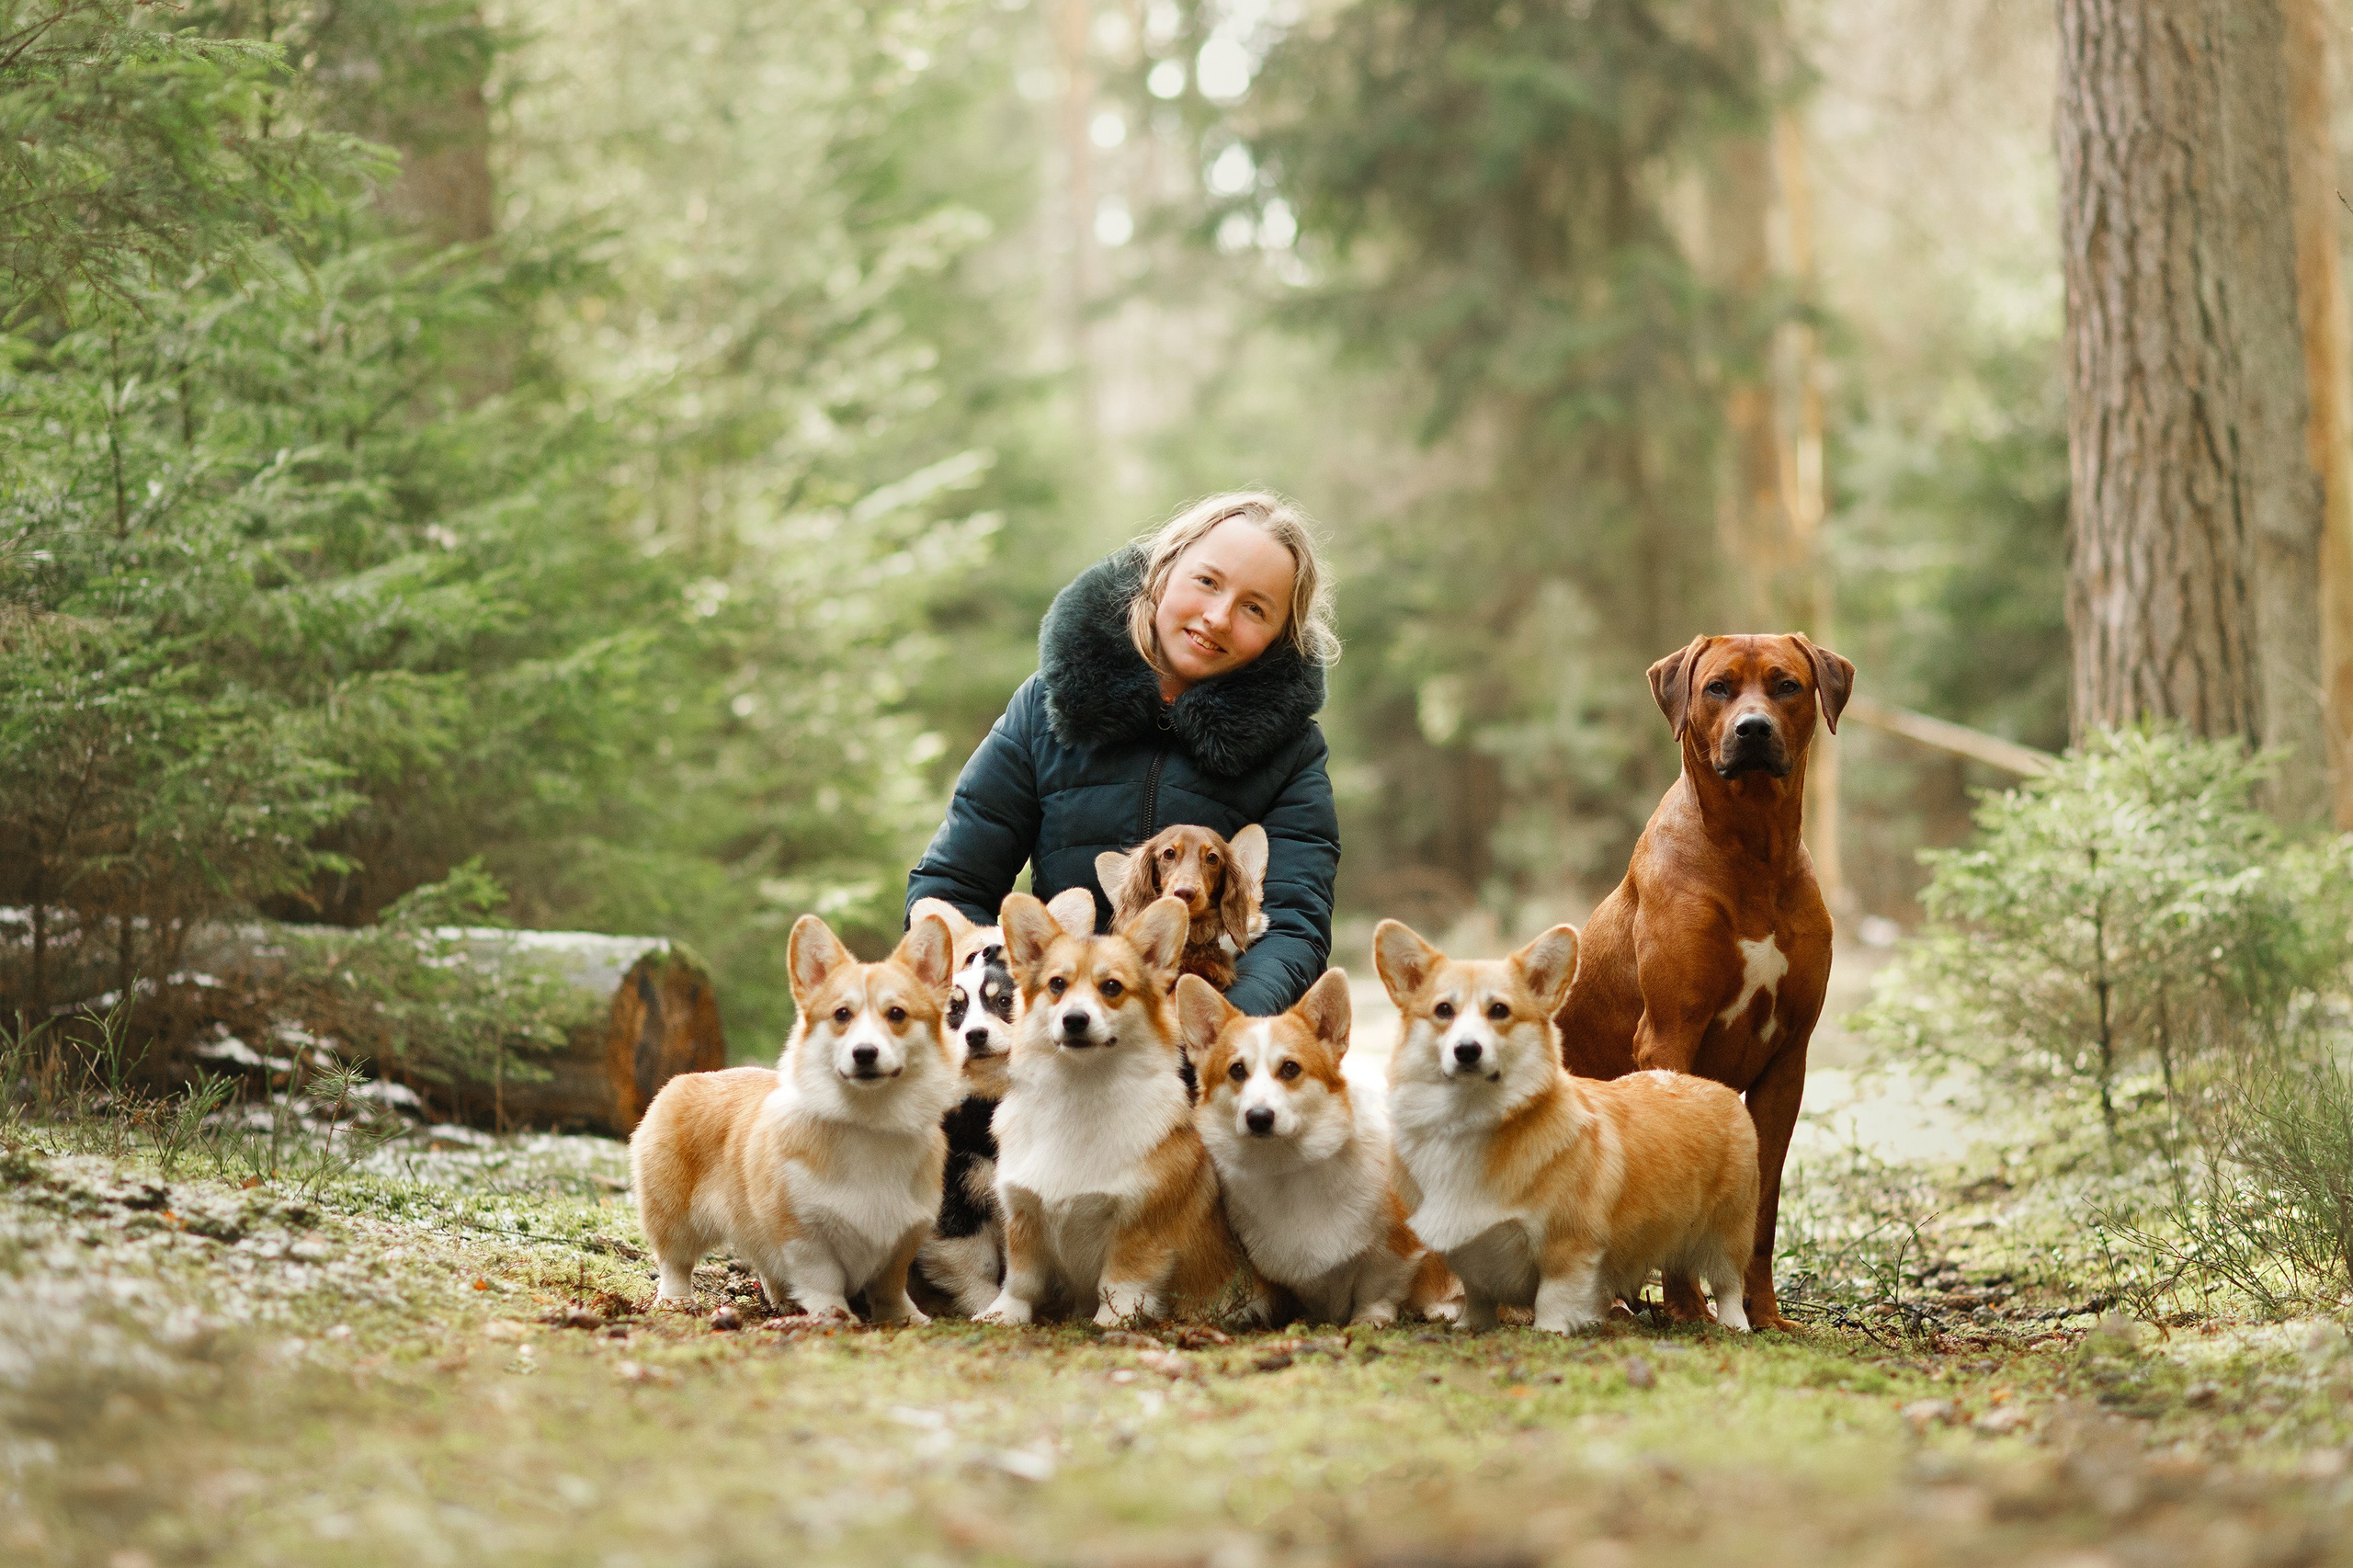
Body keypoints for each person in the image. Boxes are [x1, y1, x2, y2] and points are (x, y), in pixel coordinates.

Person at [904, 492, 1340, 1017]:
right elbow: (950, 886)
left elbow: (1294, 930)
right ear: (1161, 573)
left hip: (1202, 1046)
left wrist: (1211, 1036)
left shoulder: (1292, 751)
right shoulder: (1046, 704)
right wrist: (1007, 1002)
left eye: (1254, 608)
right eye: (1207, 581)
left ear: (1277, 638)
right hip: (1050, 1033)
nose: (1219, 617)